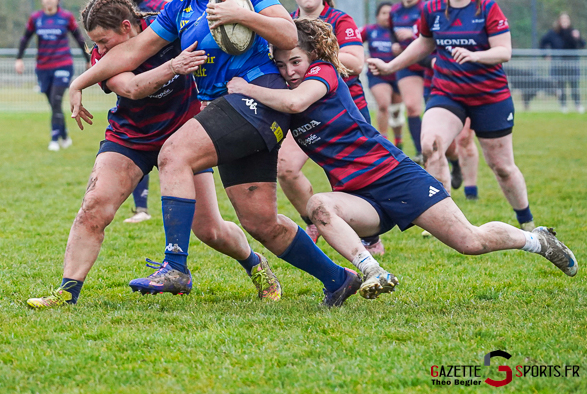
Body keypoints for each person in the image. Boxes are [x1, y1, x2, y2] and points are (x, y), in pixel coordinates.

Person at [68, 0, 360, 308]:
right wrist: (80, 82)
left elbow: (288, 32)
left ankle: (175, 265)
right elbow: (134, 50)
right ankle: (338, 278)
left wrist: (242, 15)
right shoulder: (179, 9)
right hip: (231, 112)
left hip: (256, 98)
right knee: (261, 223)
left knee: (174, 153)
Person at [228, 18, 577, 300]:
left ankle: (537, 240)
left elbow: (294, 103)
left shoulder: (324, 73)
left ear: (312, 57)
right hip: (360, 197)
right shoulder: (285, 95)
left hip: (396, 177)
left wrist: (245, 88)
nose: (289, 71)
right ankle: (371, 270)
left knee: (471, 242)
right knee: (319, 206)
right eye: (282, 65)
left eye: (295, 62)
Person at [27, 0, 282, 308]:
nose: (100, 50)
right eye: (95, 44)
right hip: (130, 137)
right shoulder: (103, 57)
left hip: (185, 139)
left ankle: (254, 263)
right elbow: (133, 88)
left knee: (210, 230)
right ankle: (66, 292)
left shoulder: (169, 21)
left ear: (127, 26)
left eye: (104, 41)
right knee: (93, 208)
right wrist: (174, 65)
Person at [369, 0, 538, 231]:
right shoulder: (432, 9)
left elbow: (504, 51)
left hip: (489, 97)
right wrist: (390, 66)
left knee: (502, 167)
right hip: (448, 93)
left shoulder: (486, 7)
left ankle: (527, 222)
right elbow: (423, 44)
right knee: (430, 145)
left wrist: (475, 56)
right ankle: (448, 222)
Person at [277, 0, 386, 255]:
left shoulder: (339, 20)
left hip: (344, 111)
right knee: (285, 168)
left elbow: (355, 62)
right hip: (301, 113)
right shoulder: (286, 24)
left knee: (348, 179)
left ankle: (370, 235)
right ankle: (312, 221)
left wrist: (314, 56)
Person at [118, 0, 167, 223]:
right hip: (132, 89)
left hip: (166, 87)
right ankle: (141, 209)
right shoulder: (117, 13)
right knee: (137, 143)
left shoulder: (162, 8)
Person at [427, 0, 480, 200]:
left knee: (466, 137)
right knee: (438, 144)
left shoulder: (473, 11)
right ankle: (454, 165)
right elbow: (416, 48)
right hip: (436, 87)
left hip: (467, 85)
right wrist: (431, 60)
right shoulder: (429, 13)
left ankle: (470, 190)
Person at [16, 0, 90, 151]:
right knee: (53, 104)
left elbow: (79, 38)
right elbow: (25, 38)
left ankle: (54, 139)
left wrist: (88, 59)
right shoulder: (36, 18)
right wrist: (19, 59)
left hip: (63, 64)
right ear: (42, 0)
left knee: (56, 100)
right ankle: (64, 135)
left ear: (58, 0)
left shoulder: (66, 17)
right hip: (43, 67)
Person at [389, 0, 427, 163]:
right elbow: (392, 36)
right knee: (412, 107)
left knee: (433, 108)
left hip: (430, 64)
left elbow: (434, 34)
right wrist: (395, 46)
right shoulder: (394, 11)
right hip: (408, 65)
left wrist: (413, 33)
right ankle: (422, 152)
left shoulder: (426, 8)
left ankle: (452, 158)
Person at [361, 2, 404, 148]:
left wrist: (402, 49)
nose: (387, 16)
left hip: (398, 76)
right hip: (377, 76)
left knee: (396, 111)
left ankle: (399, 141)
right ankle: (384, 141)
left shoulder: (399, 32)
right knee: (384, 105)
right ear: (377, 16)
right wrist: (364, 58)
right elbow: (351, 42)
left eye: (390, 13)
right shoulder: (370, 30)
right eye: (384, 13)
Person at [540, 12, 586, 113]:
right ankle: (563, 105)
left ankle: (578, 105)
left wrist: (577, 37)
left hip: (572, 63)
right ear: (559, 21)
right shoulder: (553, 33)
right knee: (561, 85)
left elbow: (582, 44)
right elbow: (542, 43)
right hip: (559, 63)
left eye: (566, 20)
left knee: (574, 85)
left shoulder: (573, 32)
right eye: (563, 20)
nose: (565, 22)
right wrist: (546, 55)